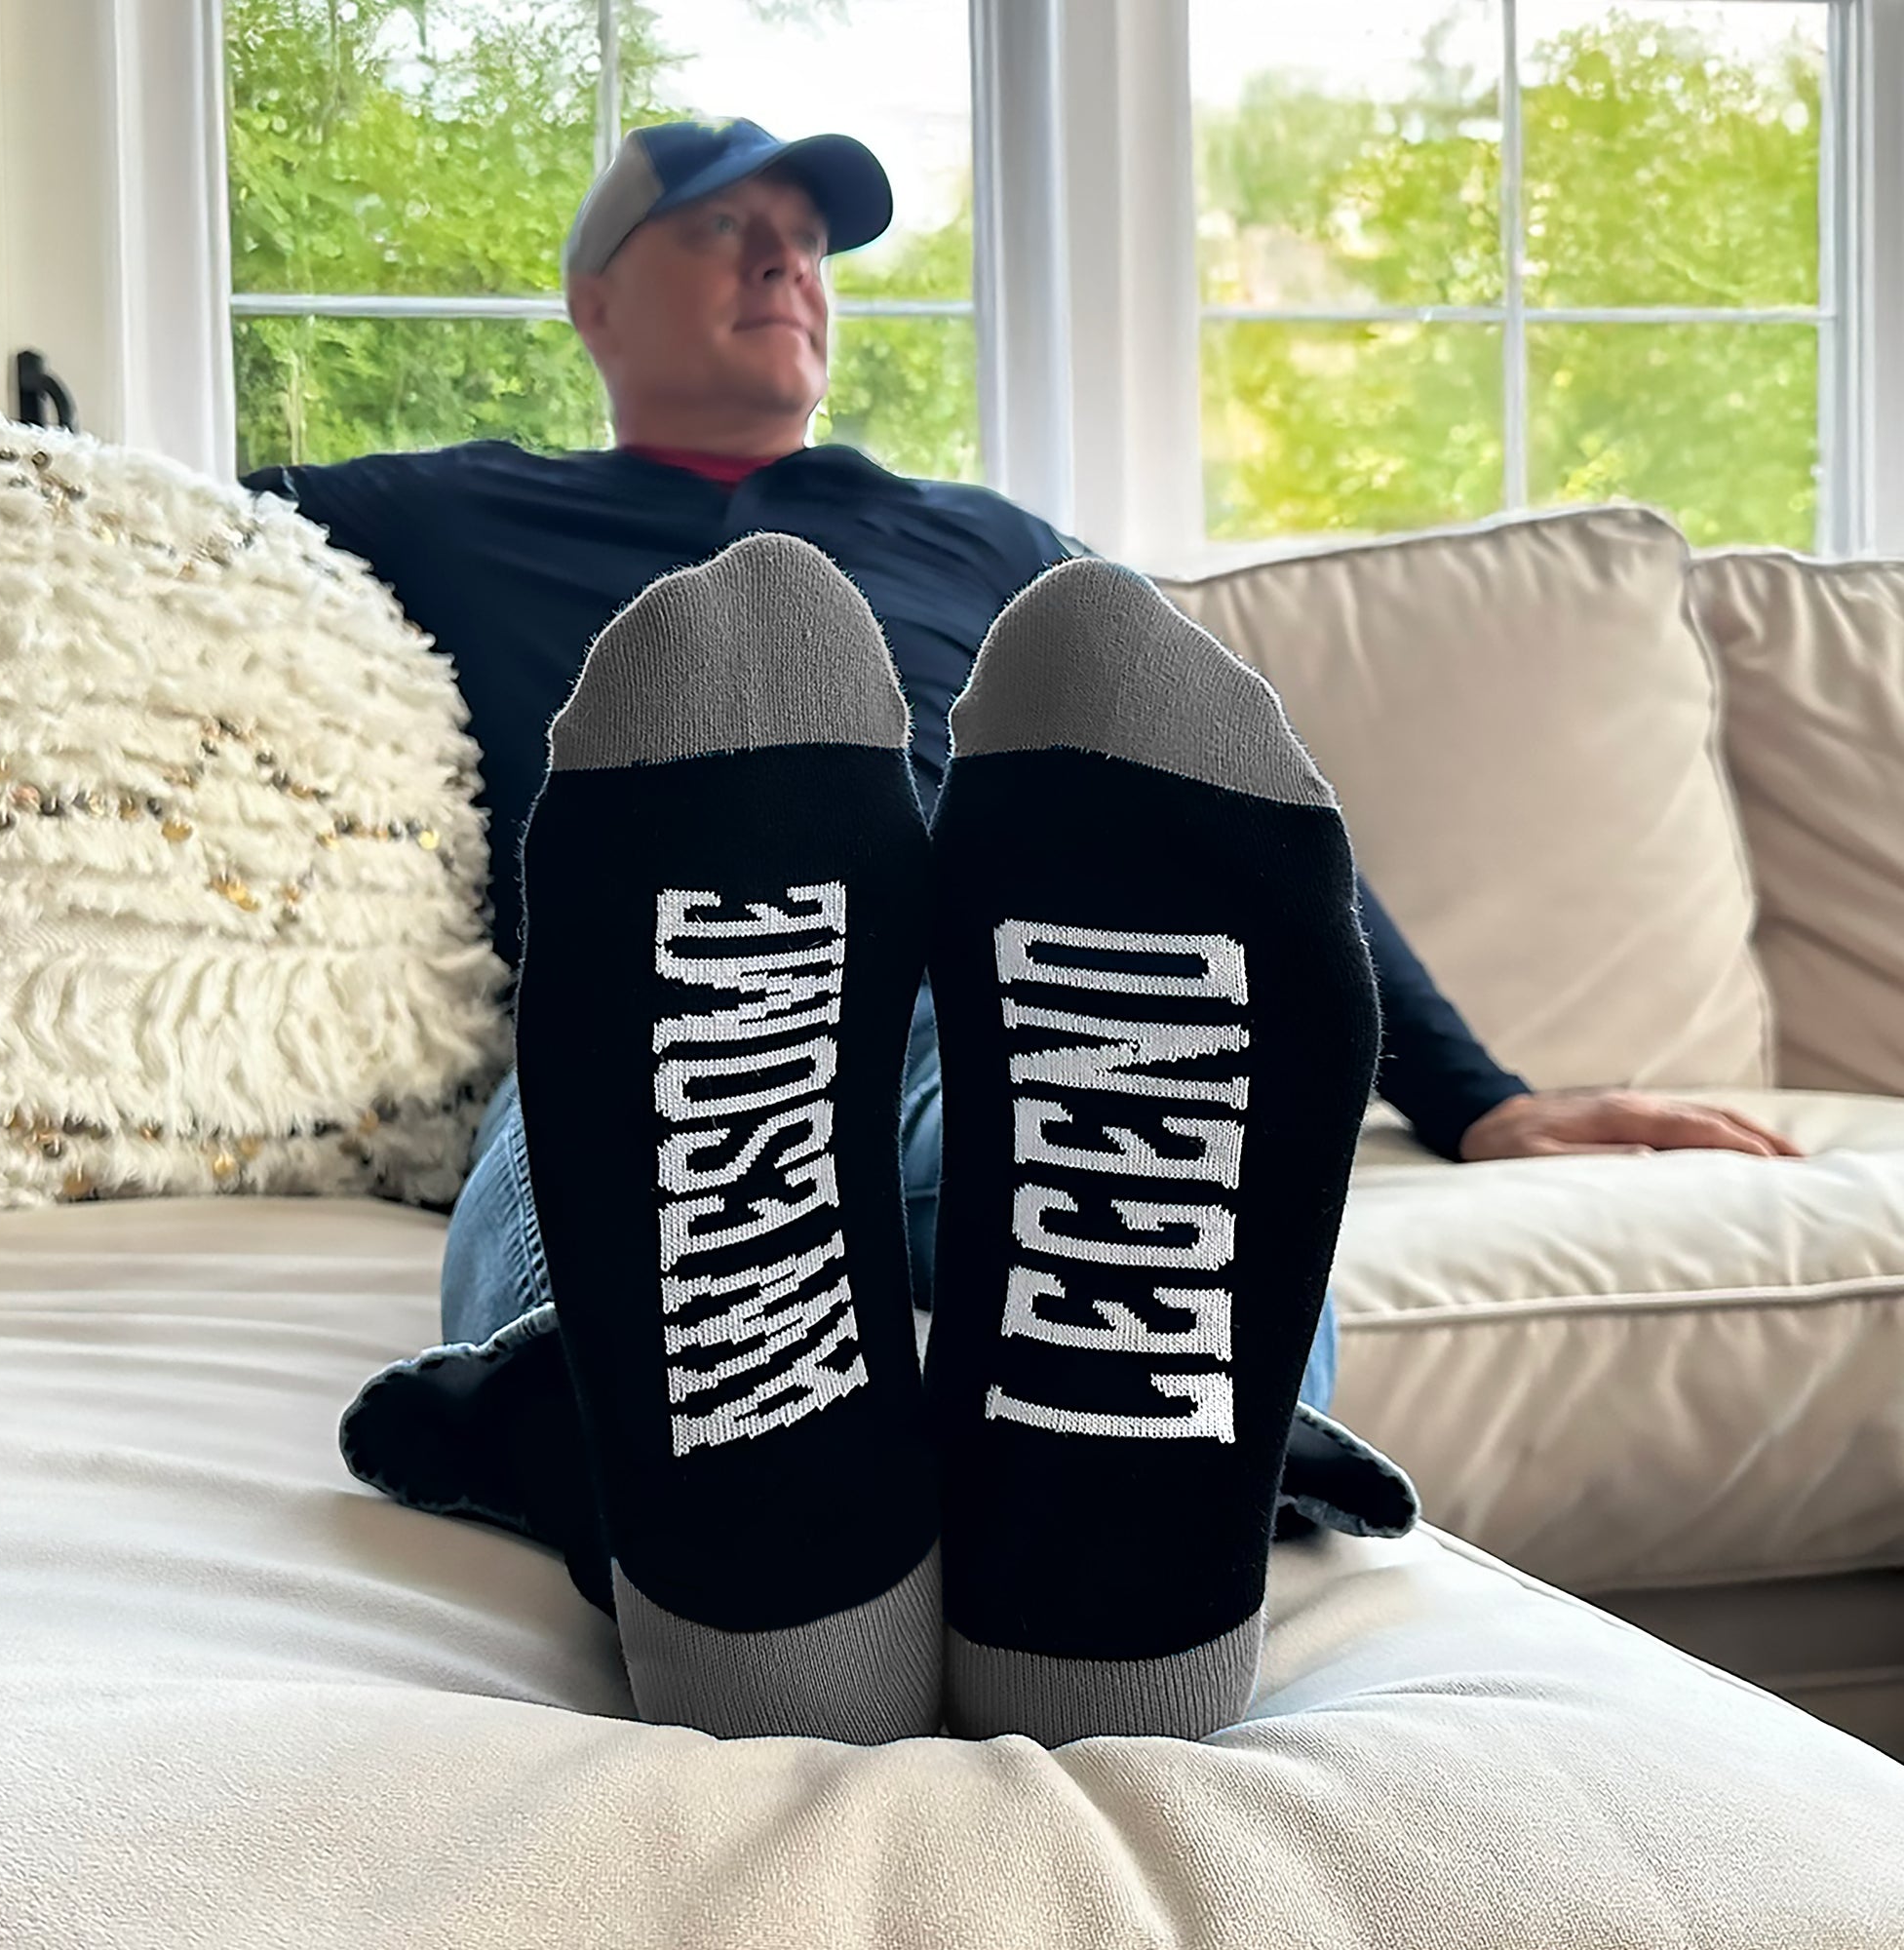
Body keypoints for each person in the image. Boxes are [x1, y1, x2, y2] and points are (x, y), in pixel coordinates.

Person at [246, 118, 1800, 1747]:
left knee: (1139, 1072)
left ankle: (789, 1526)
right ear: (592, 304)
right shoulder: (453, 507)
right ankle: (1099, 1530)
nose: (785, 261)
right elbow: (130, 511)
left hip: (1014, 981)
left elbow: (1227, 837)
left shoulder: (991, 538)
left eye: (808, 239)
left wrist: (1481, 1098)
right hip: (683, 962)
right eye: (720, 228)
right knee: (633, 1087)